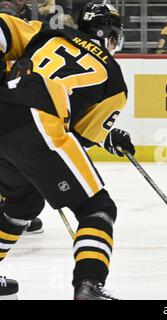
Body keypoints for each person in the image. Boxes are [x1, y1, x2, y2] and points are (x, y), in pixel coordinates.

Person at [0, 2, 134, 300]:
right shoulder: (115, 79)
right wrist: (105, 138)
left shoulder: (48, 33)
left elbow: (2, 28)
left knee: (23, 203)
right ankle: (89, 286)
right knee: (96, 207)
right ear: (112, 37)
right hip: (39, 119)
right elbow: (80, 139)